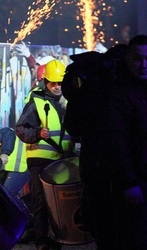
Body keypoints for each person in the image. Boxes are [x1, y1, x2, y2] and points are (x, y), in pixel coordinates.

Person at [62, 44, 128, 249]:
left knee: (105, 229)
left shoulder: (90, 89)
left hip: (97, 170)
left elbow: (73, 127)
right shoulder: (117, 92)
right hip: (110, 172)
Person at [15, 59, 75, 250]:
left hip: (64, 159)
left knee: (64, 202)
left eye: (60, 83)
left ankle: (63, 237)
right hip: (40, 159)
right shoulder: (36, 100)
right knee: (41, 201)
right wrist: (37, 133)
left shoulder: (70, 99)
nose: (57, 87)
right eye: (53, 83)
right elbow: (21, 128)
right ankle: (42, 241)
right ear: (45, 82)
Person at [104, 34, 147, 249]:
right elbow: (117, 139)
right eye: (138, 59)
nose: (143, 65)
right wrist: (129, 182)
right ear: (128, 60)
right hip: (137, 183)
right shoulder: (119, 94)